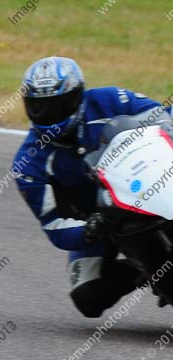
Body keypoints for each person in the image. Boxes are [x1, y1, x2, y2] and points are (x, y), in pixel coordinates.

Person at [13, 56, 170, 318]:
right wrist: (88, 229)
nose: (49, 113)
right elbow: (53, 225)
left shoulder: (111, 100)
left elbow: (164, 118)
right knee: (88, 298)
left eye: (58, 104)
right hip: (98, 222)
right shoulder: (28, 164)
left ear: (77, 95)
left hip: (150, 183)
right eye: (40, 106)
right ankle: (142, 270)